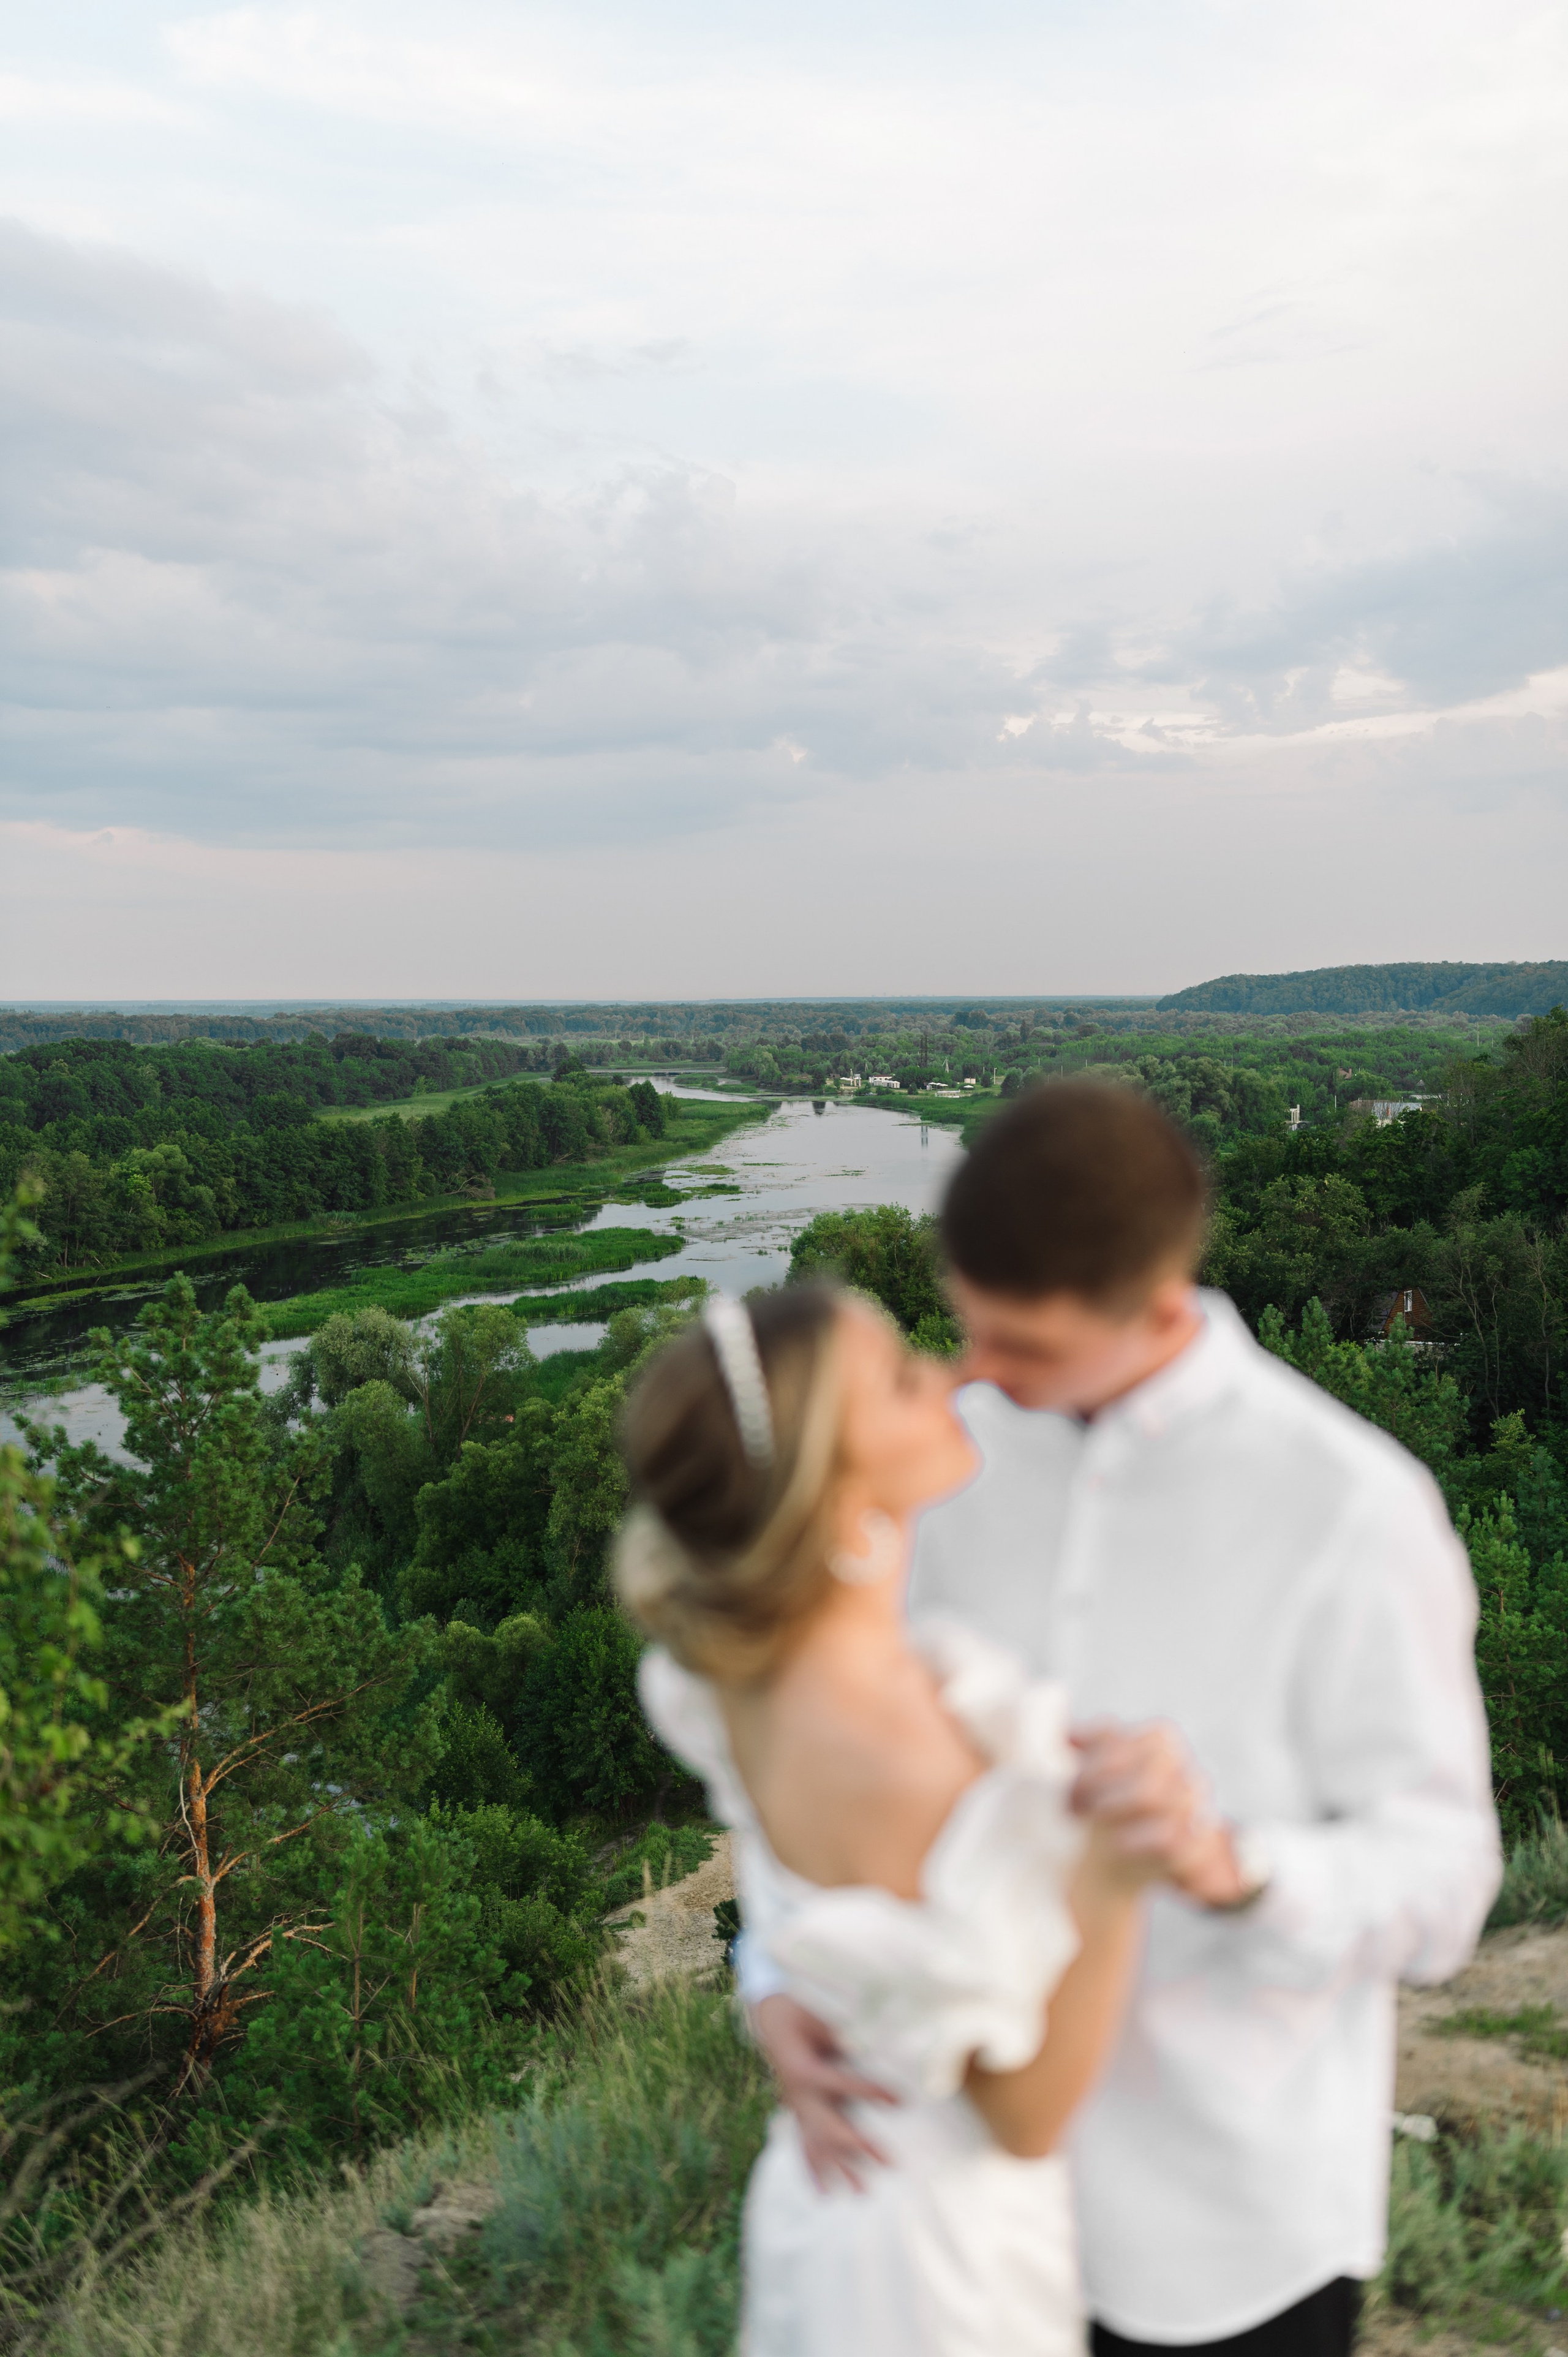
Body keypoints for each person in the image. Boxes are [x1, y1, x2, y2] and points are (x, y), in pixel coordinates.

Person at [746, 1080, 1501, 2357]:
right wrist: (769, 1979)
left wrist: (1230, 1863)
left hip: (1224, 2226)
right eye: (968, 1331)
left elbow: (1445, 1882)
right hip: (949, 2203)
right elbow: (818, 1742)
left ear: (1158, 1304)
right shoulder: (934, 1466)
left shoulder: (1351, 1510)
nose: (976, 1378)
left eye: (1024, 1349)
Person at [616, 1283, 1212, 2356]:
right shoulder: (892, 1755)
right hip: (938, 2266)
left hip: (844, 2199)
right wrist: (1114, 1876)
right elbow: (1022, 2114)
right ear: (829, 1483)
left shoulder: (723, 1679)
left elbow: (801, 1892)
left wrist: (771, 1990)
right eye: (899, 1379)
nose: (948, 1377)